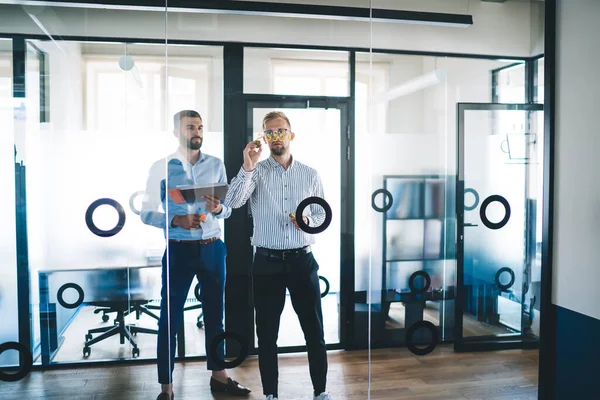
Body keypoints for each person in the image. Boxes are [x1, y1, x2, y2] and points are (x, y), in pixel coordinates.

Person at [141, 110, 251, 400]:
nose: (197, 131)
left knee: (216, 317)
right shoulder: (160, 168)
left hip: (213, 248)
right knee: (169, 317)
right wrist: (175, 221)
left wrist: (218, 209)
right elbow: (145, 212)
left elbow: (227, 209)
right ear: (177, 132)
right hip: (178, 251)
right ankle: (166, 386)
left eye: (200, 126)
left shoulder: (215, 164)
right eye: (190, 127)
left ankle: (219, 376)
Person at [225, 111, 332, 400]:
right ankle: (271, 395)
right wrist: (248, 165)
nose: (276, 137)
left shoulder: (310, 173)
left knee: (314, 332)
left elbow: (321, 212)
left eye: (280, 131)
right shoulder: (256, 172)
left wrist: (306, 221)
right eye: (269, 132)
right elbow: (233, 202)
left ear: (290, 135)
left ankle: (320, 392)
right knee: (268, 334)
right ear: (264, 137)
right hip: (266, 263)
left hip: (302, 261)